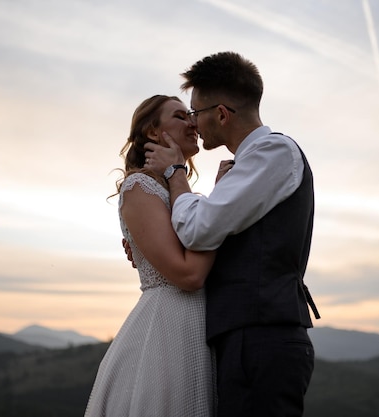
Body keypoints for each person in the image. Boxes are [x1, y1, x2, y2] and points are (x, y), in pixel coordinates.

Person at [143, 51, 320, 417]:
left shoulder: (273, 152)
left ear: (221, 114)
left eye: (195, 113)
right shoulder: (246, 167)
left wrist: (177, 172)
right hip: (246, 337)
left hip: (262, 339)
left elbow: (197, 229)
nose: (193, 123)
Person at [84, 95, 217, 417]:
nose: (193, 123)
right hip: (169, 327)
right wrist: (219, 218)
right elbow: (187, 275)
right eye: (180, 116)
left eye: (191, 116)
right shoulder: (140, 187)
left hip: (206, 323)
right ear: (154, 133)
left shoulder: (182, 194)